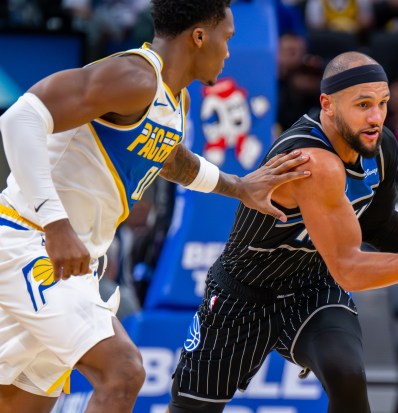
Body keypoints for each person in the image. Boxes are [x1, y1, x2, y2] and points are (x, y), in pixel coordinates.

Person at [0, 1, 312, 412]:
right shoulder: (134, 76)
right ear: (199, 36)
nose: (229, 51)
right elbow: (20, 118)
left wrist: (239, 186)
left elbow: (170, 159)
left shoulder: (174, 101)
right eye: (227, 38)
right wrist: (56, 224)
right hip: (33, 242)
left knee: (19, 403)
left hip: (73, 263)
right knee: (124, 371)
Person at [168, 51, 398, 413]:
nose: (376, 117)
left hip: (310, 284)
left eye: (382, 103)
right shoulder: (312, 162)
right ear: (328, 105)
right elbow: (348, 269)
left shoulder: (381, 149)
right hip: (244, 290)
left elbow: (378, 224)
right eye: (363, 104)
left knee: (347, 374)